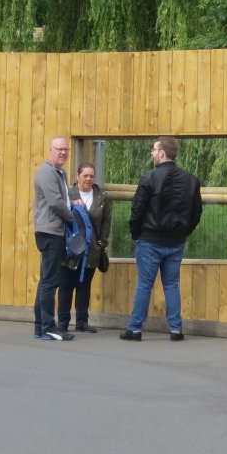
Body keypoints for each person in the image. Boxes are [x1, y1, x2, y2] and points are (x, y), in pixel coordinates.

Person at [121, 136, 202, 342]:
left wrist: (136, 233)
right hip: (176, 241)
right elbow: (196, 213)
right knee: (172, 284)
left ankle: (135, 328)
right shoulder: (191, 180)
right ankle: (176, 329)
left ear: (162, 153)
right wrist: (184, 232)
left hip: (150, 239)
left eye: (154, 150)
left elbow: (137, 210)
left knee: (145, 284)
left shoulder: (149, 178)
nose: (152, 153)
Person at [59, 161, 113, 334]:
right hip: (70, 248)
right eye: (85, 175)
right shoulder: (68, 194)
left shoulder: (102, 197)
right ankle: (63, 323)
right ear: (77, 176)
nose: (88, 179)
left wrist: (101, 243)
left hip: (91, 249)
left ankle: (82, 321)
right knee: (66, 286)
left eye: (91, 176)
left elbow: (106, 224)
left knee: (84, 286)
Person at [31, 136, 76, 342]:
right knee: (50, 281)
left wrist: (74, 201)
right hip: (49, 231)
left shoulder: (60, 172)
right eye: (59, 149)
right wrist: (73, 219)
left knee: (47, 280)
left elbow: (64, 197)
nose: (63, 153)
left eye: (66, 149)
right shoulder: (46, 173)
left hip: (55, 230)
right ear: (51, 150)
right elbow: (56, 202)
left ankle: (41, 326)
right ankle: (48, 326)